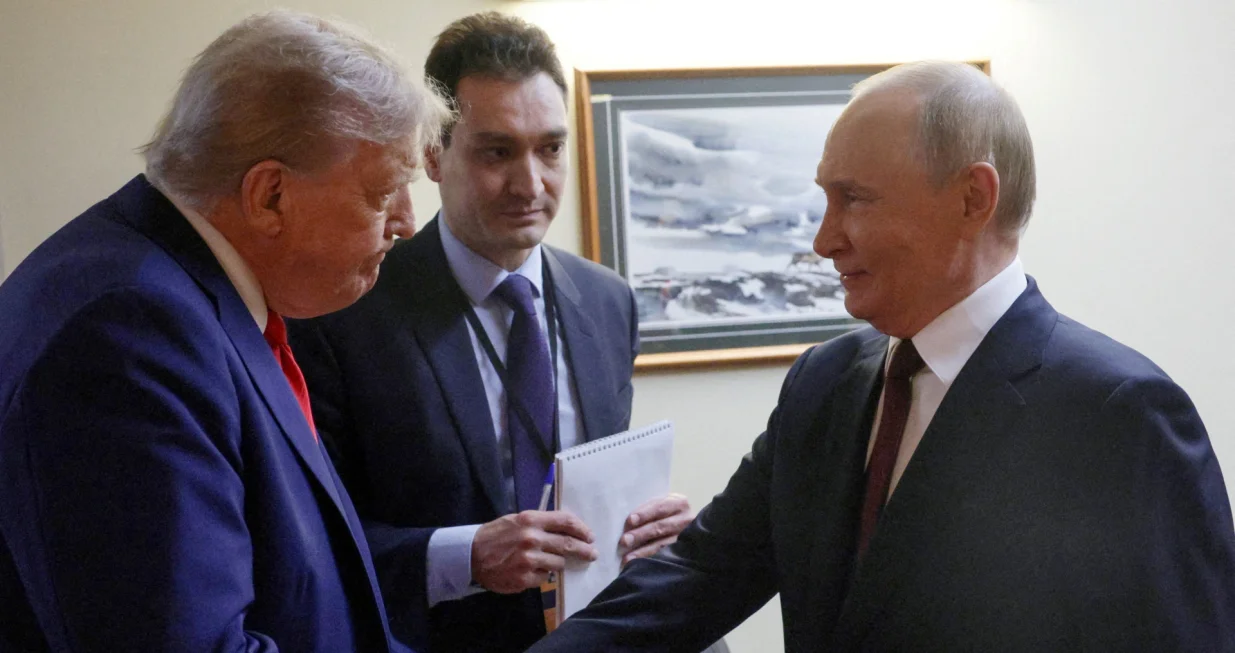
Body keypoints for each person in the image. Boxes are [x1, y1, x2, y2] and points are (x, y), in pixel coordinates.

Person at [525, 61, 1235, 652]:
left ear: (971, 197)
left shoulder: (1116, 414)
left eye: (853, 199)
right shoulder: (823, 381)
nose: (823, 238)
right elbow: (699, 575)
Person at [0, 11, 449, 652]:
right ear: (269, 196)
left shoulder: (174, 295)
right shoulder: (129, 334)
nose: (406, 223)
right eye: (384, 192)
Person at [286, 12, 695, 652]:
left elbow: (597, 484)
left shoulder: (608, 301)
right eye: (497, 151)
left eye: (551, 149)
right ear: (431, 154)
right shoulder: (343, 311)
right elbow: (306, 542)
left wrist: (648, 527)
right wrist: (465, 556)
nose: (531, 184)